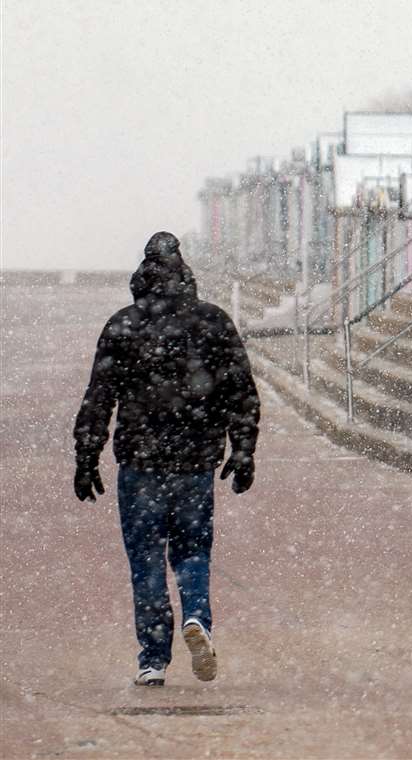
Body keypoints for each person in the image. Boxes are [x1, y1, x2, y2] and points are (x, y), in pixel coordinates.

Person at [73, 232, 260, 687]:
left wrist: (86, 455)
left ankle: (154, 658)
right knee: (193, 551)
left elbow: (99, 398)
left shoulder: (123, 326)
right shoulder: (214, 323)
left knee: (146, 559)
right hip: (196, 461)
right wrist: (244, 447)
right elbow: (241, 391)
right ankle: (196, 616)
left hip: (140, 463)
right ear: (184, 275)